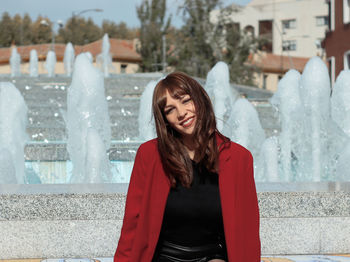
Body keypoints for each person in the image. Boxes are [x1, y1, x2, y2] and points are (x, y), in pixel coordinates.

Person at [114, 72, 260, 262]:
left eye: (185, 101)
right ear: (165, 120)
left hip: (212, 255)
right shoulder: (150, 155)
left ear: (200, 99)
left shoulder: (240, 159)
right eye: (170, 110)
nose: (181, 113)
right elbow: (132, 222)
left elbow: (247, 228)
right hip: (165, 256)